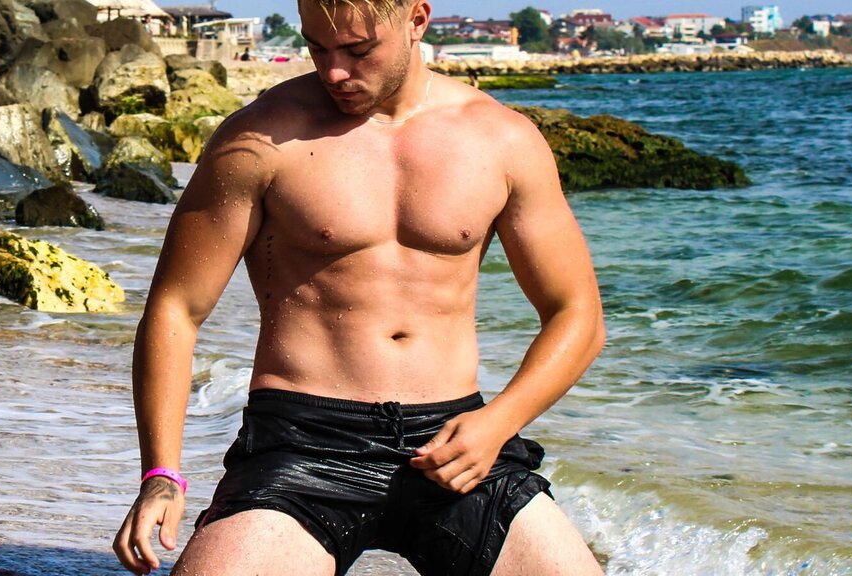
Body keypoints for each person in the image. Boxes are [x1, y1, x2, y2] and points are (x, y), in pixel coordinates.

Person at [112, 0, 605, 575]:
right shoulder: (260, 140)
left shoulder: (502, 140)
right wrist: (161, 475)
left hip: (456, 443)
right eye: (317, 48)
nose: (335, 72)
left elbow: (576, 313)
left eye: (358, 49)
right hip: (303, 444)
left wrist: (500, 421)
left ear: (417, 20)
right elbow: (176, 309)